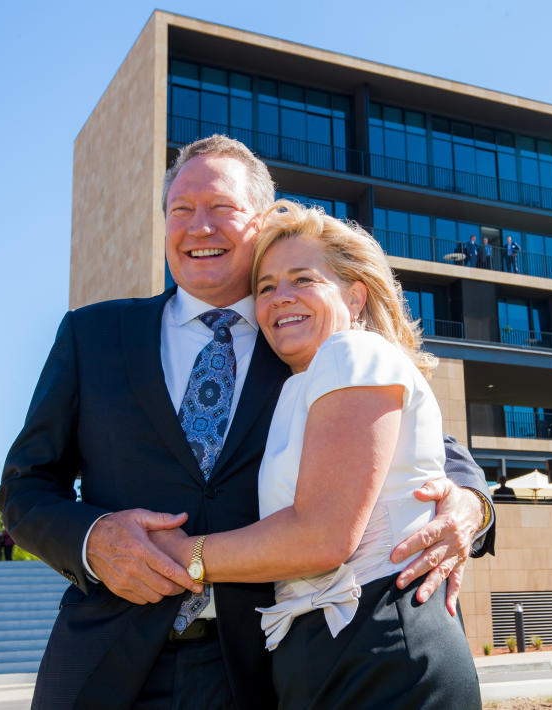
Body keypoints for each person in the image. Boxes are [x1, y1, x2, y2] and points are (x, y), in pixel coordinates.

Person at [0, 135, 494, 710]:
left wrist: (471, 504)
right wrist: (93, 541)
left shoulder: (306, 337)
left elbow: (425, 441)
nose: (199, 226)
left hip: (260, 672)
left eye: (221, 208)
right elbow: (25, 485)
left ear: (259, 224)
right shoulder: (92, 335)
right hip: (103, 664)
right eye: (180, 210)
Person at [152, 201, 482, 708]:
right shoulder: (303, 385)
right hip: (325, 648)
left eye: (302, 279)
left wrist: (185, 555)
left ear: (355, 296)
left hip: (380, 643)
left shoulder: (351, 352)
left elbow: (323, 536)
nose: (280, 298)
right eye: (265, 287)